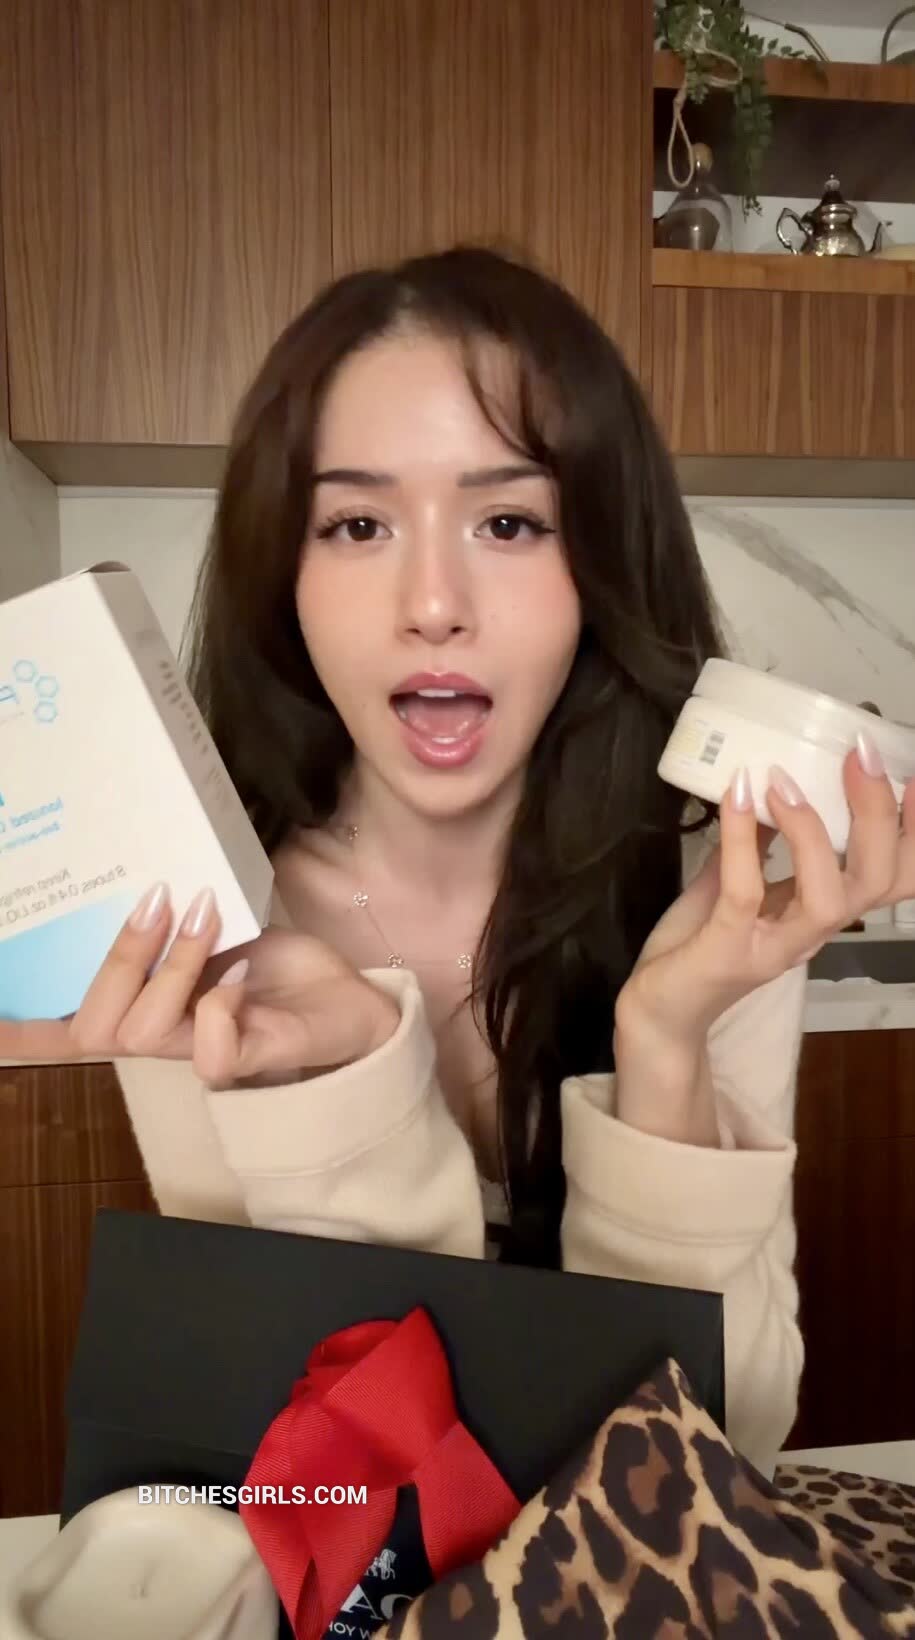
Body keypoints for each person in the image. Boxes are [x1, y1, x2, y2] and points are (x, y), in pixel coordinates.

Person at [4, 248, 913, 1477]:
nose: (433, 602)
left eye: (509, 522)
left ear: (601, 564)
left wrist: (667, 1038)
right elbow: (312, 1459)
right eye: (358, 523)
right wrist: (338, 1086)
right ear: (285, 573)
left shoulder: (713, 894)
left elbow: (734, 1431)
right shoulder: (203, 923)